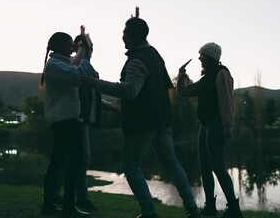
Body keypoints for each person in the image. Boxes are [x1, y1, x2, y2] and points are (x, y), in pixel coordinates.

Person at [78, 12, 199, 218]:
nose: (122, 37)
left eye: (124, 33)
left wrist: (95, 84)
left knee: (131, 166)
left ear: (132, 35)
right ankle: (192, 209)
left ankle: (149, 212)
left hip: (142, 123)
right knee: (172, 163)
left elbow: (130, 91)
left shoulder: (136, 60)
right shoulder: (155, 55)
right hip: (162, 120)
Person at [176, 42, 243, 218]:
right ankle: (210, 208)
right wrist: (182, 75)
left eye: (202, 55)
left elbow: (227, 102)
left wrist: (227, 126)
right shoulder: (206, 78)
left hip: (216, 124)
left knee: (217, 167)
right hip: (204, 125)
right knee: (205, 167)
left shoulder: (221, 74)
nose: (199, 58)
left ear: (211, 56)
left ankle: (234, 210)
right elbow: (184, 92)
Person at [40, 26, 96, 218]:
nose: (72, 45)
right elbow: (78, 74)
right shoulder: (55, 66)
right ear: (60, 45)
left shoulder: (59, 63)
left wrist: (83, 47)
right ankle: (66, 207)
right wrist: (86, 52)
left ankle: (53, 205)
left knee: (60, 162)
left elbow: (74, 62)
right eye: (69, 43)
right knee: (71, 162)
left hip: (66, 122)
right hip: (65, 122)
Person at [52, 35, 101, 212]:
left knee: (71, 160)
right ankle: (77, 199)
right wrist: (84, 51)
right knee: (76, 160)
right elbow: (77, 79)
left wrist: (108, 106)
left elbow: (91, 94)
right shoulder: (71, 65)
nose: (91, 48)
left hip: (82, 119)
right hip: (74, 120)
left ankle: (60, 198)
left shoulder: (81, 65)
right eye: (89, 45)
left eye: (91, 45)